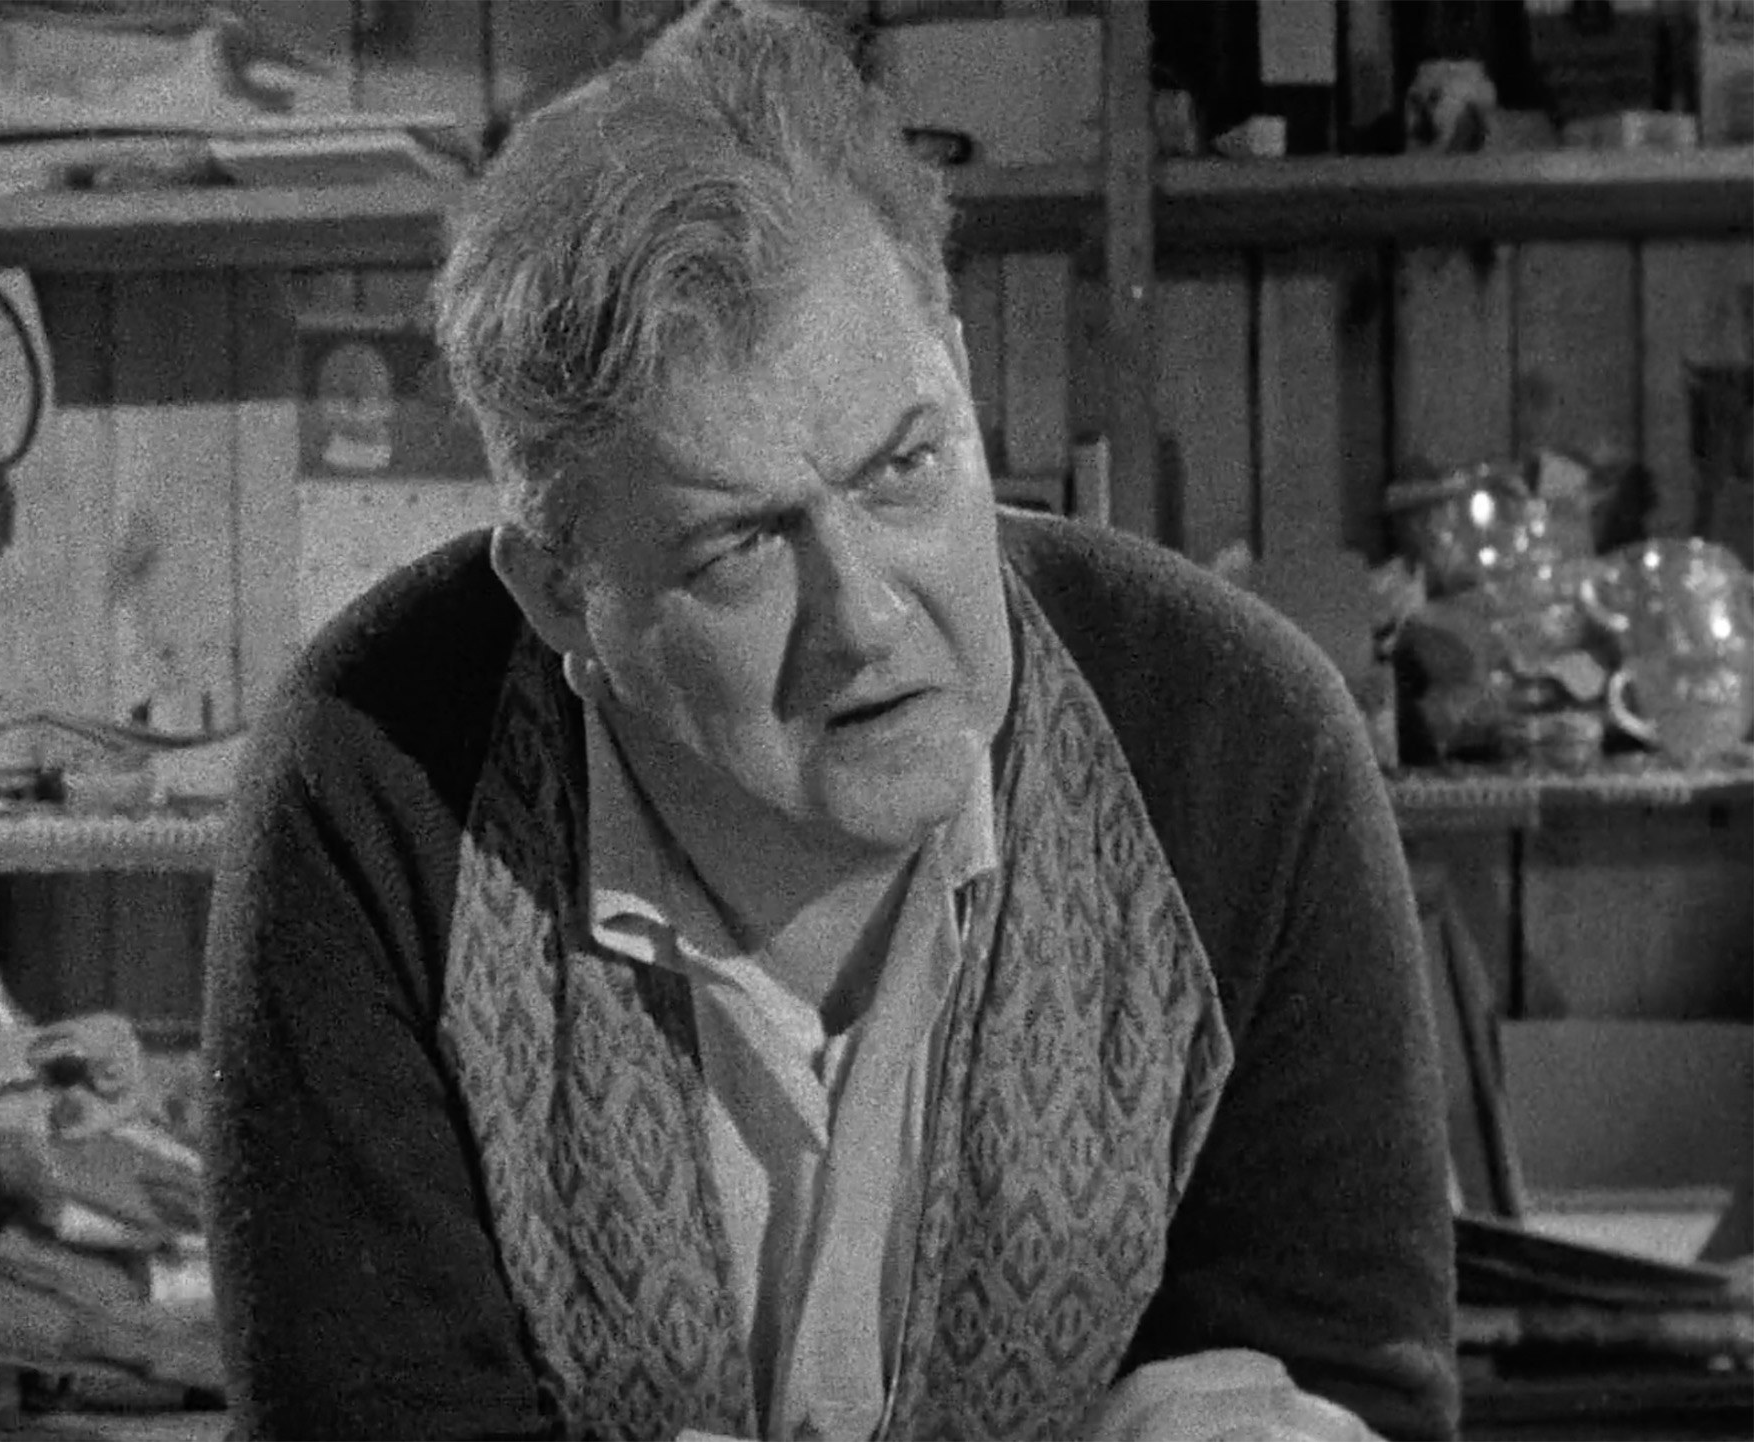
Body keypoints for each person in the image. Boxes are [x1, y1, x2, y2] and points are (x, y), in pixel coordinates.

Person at [202, 2, 1458, 1438]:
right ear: (561, 593)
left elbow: (1347, 1389)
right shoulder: (373, 782)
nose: (864, 615)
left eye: (904, 469)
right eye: (740, 547)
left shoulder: (1244, 748)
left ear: (962, 379)